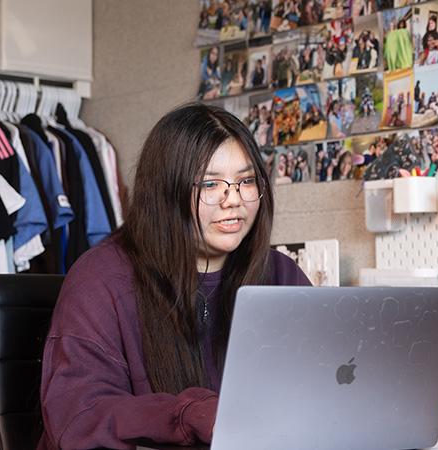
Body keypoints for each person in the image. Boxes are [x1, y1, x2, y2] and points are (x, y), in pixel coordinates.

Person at [37, 104, 312, 449]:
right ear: (166, 192)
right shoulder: (101, 280)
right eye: (211, 184)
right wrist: (190, 415)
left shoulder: (280, 274)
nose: (234, 200)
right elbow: (80, 416)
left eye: (246, 181)